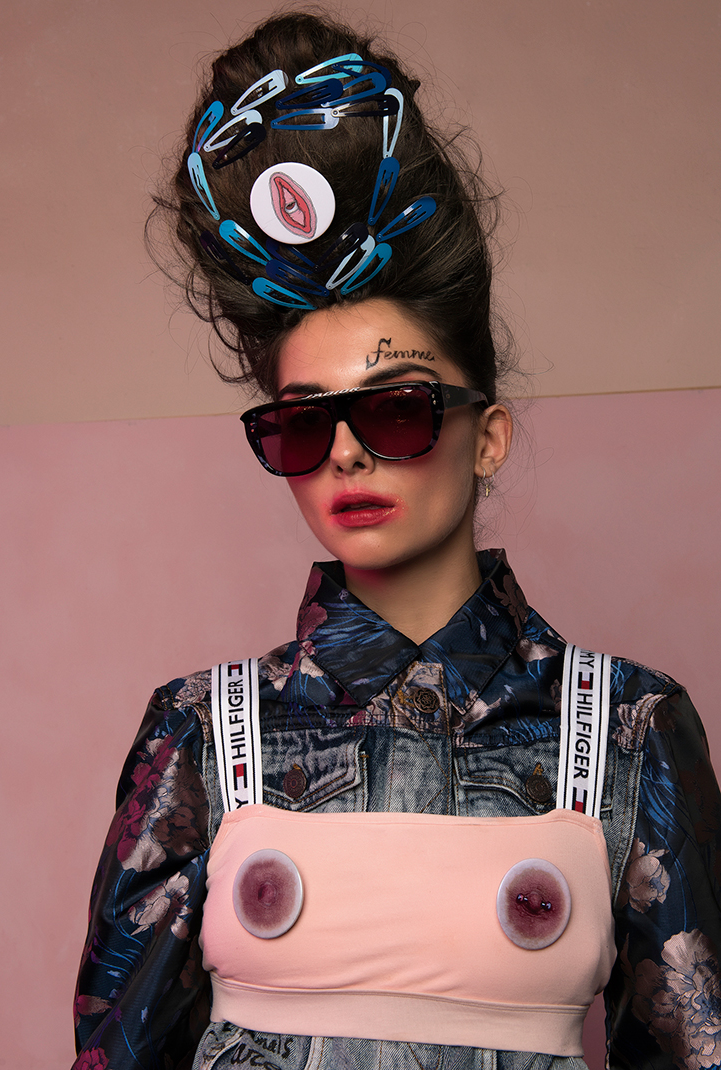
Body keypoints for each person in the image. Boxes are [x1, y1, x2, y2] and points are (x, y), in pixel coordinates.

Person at [73, 12, 721, 1070]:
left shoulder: (628, 730)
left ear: (487, 435)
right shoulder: (197, 732)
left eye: (396, 408)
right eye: (301, 424)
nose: (345, 453)